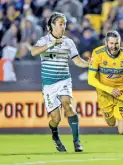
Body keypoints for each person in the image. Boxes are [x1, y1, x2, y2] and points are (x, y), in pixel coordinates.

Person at [30, 12, 88, 152]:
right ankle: (55, 136)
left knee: (67, 104)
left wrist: (88, 64)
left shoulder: (68, 42)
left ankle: (77, 141)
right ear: (52, 25)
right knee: (56, 118)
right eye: (60, 24)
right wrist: (51, 44)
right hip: (49, 84)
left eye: (64, 24)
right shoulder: (44, 40)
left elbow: (77, 60)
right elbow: (33, 52)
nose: (63, 27)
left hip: (64, 80)